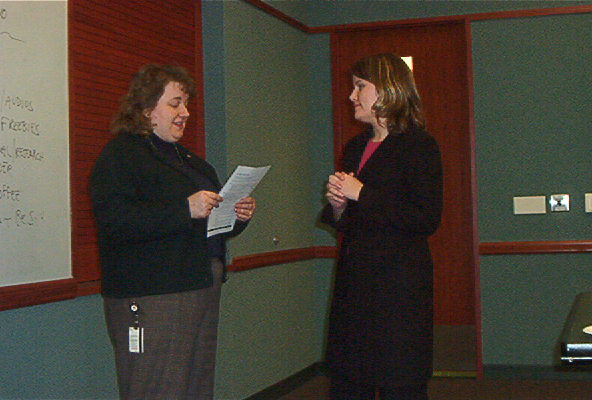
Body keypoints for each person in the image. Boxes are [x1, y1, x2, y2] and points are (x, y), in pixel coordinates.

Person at [91, 64, 256, 400]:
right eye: (175, 103)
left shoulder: (191, 161)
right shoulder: (122, 154)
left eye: (186, 104)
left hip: (201, 285)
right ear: (146, 108)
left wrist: (236, 216)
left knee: (196, 387)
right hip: (154, 294)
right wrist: (185, 209)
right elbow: (114, 220)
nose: (185, 112)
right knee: (156, 389)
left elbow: (207, 224)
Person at [320, 53, 443, 400]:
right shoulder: (356, 146)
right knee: (349, 380)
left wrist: (361, 193)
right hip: (355, 285)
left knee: (398, 381)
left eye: (360, 86)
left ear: (388, 89)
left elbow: (426, 217)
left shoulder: (419, 146)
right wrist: (338, 207)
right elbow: (351, 220)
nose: (351, 96)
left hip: (398, 290)